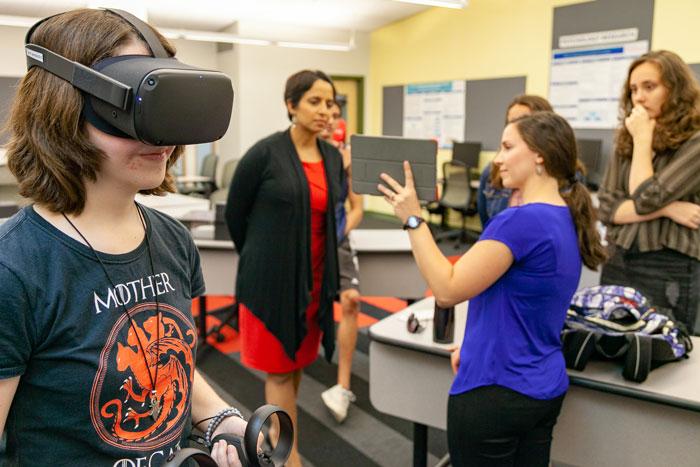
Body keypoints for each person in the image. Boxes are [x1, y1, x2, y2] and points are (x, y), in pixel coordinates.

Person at [0, 9, 246, 466]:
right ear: (62, 107)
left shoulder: (173, 239)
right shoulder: (14, 267)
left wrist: (218, 419)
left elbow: (169, 363)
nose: (162, 136)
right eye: (136, 108)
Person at [379, 112, 606, 466]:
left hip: (496, 394)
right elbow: (520, 301)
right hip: (542, 388)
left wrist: (413, 218)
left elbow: (447, 289)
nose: (497, 159)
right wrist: (475, 345)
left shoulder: (520, 221)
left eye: (507, 146)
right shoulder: (565, 215)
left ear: (540, 155)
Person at [225, 70, 343, 466]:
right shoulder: (265, 153)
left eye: (330, 102)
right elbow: (236, 214)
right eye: (314, 101)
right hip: (272, 285)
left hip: (313, 286)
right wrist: (263, 258)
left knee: (295, 367)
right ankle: (287, 458)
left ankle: (278, 441)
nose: (325, 110)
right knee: (278, 373)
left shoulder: (330, 156)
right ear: (291, 105)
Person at [598, 50, 700, 334]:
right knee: (610, 341)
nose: (639, 98)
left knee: (664, 351)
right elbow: (606, 207)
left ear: (675, 90)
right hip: (618, 257)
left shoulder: (695, 141)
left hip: (668, 265)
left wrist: (643, 140)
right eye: (633, 89)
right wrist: (669, 208)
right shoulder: (626, 138)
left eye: (649, 87)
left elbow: (644, 198)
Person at [319, 99, 364, 423]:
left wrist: (338, 233)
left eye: (337, 116)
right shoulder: (303, 157)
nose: (332, 121)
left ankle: (343, 385)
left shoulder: (347, 164)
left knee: (351, 301)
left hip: (337, 243)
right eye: (327, 116)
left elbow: (357, 209)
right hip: (304, 244)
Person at [477, 95, 553, 227]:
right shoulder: (492, 172)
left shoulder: (565, 176)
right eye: (510, 122)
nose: (514, 127)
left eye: (523, 121)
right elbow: (488, 229)